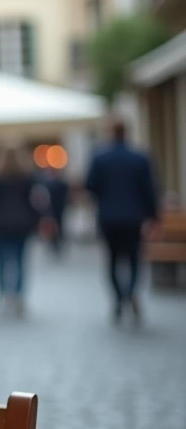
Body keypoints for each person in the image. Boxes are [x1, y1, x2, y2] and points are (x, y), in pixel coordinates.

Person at [86, 119, 159, 323]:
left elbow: (90, 186)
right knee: (134, 258)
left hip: (108, 217)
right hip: (133, 217)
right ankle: (131, 292)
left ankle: (119, 298)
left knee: (112, 260)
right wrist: (153, 216)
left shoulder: (100, 158)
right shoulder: (140, 158)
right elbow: (150, 190)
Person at [0, 146, 42, 315]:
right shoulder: (27, 177)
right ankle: (18, 296)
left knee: (1, 262)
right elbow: (33, 201)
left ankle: (2, 296)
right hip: (22, 224)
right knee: (20, 261)